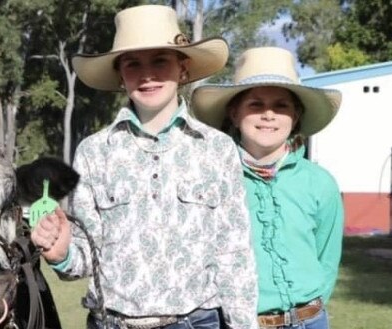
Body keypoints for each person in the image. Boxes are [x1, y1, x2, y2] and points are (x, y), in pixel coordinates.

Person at [31, 4, 258, 329]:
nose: (147, 74)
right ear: (120, 75)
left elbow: (234, 254)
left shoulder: (216, 149)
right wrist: (62, 252)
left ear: (183, 68)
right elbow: (84, 257)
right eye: (133, 63)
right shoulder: (94, 152)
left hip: (196, 322)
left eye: (160, 60)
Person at [192, 46, 344, 329]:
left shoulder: (320, 183)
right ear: (234, 114)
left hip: (309, 321)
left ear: (295, 116)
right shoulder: (211, 179)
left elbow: (327, 258)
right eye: (255, 105)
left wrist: (310, 309)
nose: (268, 115)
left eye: (281, 105)